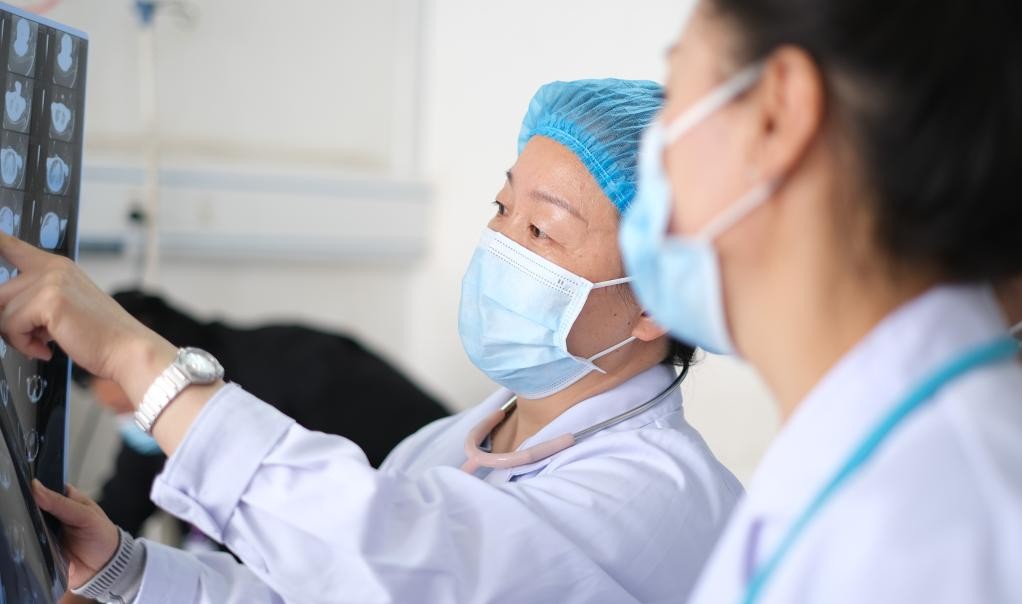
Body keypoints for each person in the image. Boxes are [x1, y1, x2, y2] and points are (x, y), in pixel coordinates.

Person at [8, 79, 742, 603]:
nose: (498, 244)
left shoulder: (656, 497)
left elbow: (392, 562)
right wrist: (128, 570)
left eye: (540, 229)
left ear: (658, 302)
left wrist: (137, 359)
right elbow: (315, 586)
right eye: (501, 206)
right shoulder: (450, 444)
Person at [617, 1, 1022, 602]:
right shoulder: (883, 457)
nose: (655, 147)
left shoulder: (936, 531)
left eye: (674, 93)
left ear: (776, 115)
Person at [71, 289, 449, 541]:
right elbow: (122, 509)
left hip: (425, 514)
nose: (137, 423)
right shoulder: (161, 408)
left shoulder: (295, 369)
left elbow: (319, 536)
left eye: (135, 405)